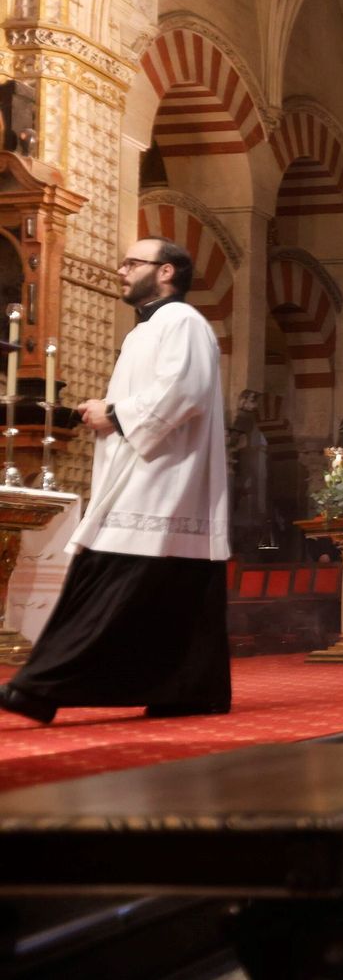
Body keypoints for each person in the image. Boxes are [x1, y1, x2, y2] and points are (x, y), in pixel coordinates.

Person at [0, 237, 231, 724]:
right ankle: (186, 688)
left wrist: (114, 413)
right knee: (157, 594)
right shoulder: (149, 329)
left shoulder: (182, 322)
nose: (121, 270)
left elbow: (184, 393)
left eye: (132, 263)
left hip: (162, 482)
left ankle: (38, 688)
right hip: (146, 476)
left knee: (107, 589)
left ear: (166, 272)